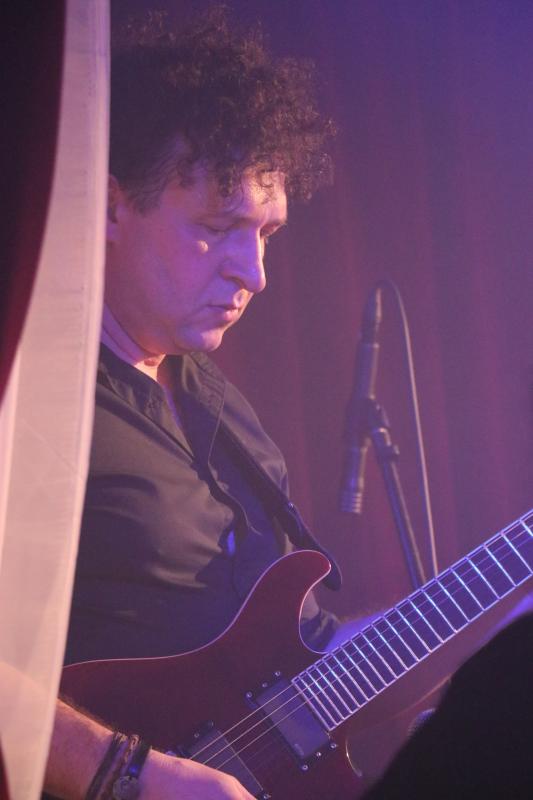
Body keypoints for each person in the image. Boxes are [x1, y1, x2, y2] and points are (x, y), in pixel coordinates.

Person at [43, 7, 344, 799]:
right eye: (219, 226)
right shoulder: (28, 396)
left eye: (267, 233)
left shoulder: (224, 408)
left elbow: (302, 666)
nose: (255, 274)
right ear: (111, 207)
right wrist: (125, 774)